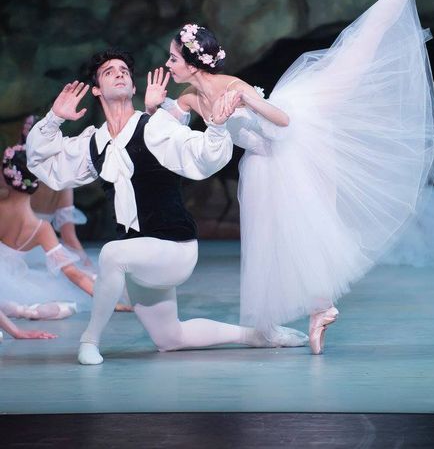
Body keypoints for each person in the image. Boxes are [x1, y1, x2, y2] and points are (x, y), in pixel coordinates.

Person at [146, 0, 434, 354]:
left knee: (357, 50)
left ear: (193, 62)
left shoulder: (232, 84)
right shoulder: (190, 97)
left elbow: (282, 120)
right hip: (266, 161)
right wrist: (156, 107)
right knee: (290, 239)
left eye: (173, 58)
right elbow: (162, 133)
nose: (168, 64)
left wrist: (247, 100)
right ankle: (320, 310)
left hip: (300, 124)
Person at [26, 49, 308, 366]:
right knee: (170, 338)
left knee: (111, 254)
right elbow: (42, 160)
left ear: (133, 88)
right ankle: (255, 336)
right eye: (109, 72)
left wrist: (215, 126)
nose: (119, 73)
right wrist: (54, 118)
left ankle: (89, 340)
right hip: (139, 256)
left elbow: (202, 154)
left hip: (174, 248)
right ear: (96, 90)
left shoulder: (155, 127)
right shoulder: (92, 142)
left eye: (124, 70)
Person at [0, 145, 97, 312]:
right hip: (15, 279)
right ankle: (26, 310)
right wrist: (108, 300)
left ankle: (20, 310)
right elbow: (72, 272)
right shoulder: (42, 228)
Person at [20, 115, 93, 268]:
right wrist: (89, 268)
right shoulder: (62, 177)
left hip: (15, 254)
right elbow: (69, 237)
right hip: (47, 254)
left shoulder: (15, 174)